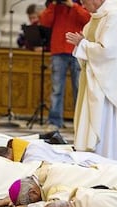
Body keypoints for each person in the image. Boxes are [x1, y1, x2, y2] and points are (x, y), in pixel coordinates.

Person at [65, 0, 117, 162]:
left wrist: (82, 44)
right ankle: (92, 159)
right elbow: (90, 44)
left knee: (104, 122)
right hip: (94, 78)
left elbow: (108, 52)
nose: (83, 6)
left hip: (107, 84)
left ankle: (108, 159)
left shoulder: (114, 18)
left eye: (84, 2)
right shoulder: (97, 17)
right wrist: (82, 43)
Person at [39, 0, 90, 131]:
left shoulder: (81, 4)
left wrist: (73, 5)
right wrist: (54, 4)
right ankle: (55, 121)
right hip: (58, 50)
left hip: (77, 50)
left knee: (79, 87)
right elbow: (45, 22)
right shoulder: (55, 6)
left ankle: (80, 121)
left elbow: (88, 20)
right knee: (57, 89)